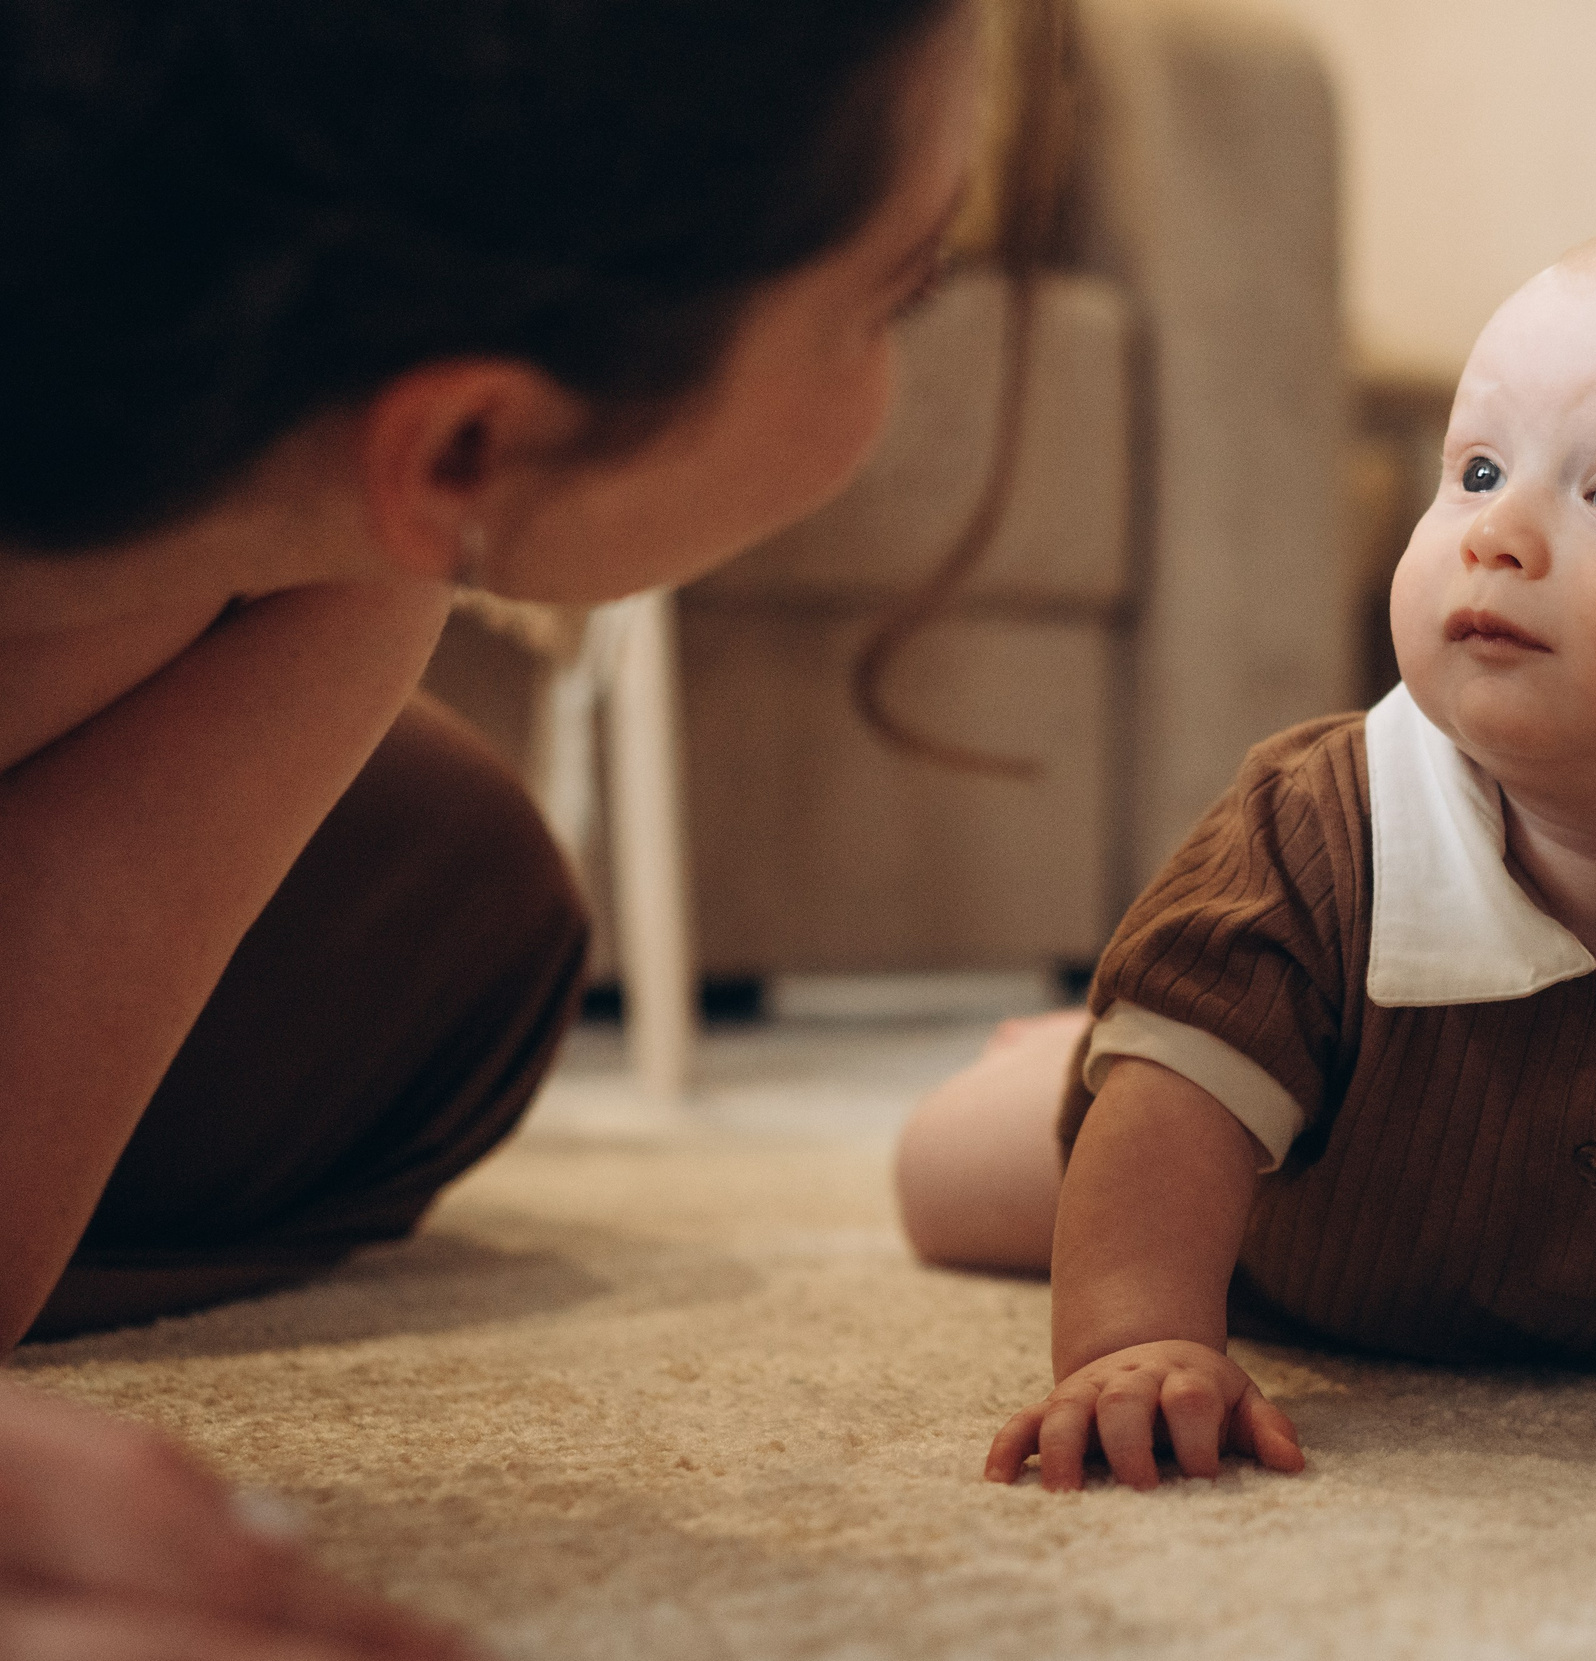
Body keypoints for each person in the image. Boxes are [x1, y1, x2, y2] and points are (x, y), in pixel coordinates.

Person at [1, 0, 978, 1650]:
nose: (906, 356)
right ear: (470, 437)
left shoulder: (354, 550)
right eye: (902, 293)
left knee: (474, 911)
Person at [895, 196, 1596, 1493]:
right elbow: (1165, 1138)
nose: (1496, 531)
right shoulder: (1317, 827)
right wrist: (1138, 1336)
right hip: (1268, 1222)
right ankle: (1120, 1037)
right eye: (1477, 470)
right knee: (955, 1170)